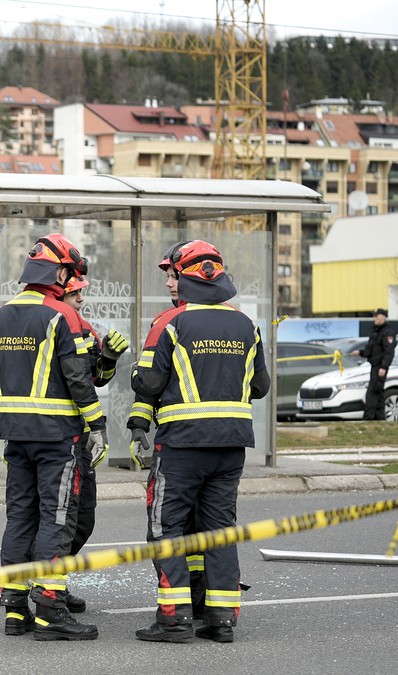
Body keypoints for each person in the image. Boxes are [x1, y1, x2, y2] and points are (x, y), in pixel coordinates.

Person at [130, 240, 270, 644]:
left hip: (182, 446)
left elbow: (147, 383)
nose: (168, 282)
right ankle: (221, 619)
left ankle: (173, 620)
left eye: (173, 274)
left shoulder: (170, 323)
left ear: (189, 276)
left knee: (167, 528)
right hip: (231, 447)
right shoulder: (245, 324)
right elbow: (260, 386)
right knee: (220, 530)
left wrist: (139, 377)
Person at [0, 233, 107, 641]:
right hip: (57, 438)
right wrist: (97, 424)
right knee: (56, 519)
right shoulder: (62, 315)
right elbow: (78, 379)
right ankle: (51, 612)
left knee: (20, 518)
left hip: (17, 434)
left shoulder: (1, 316)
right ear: (58, 273)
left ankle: (15, 609)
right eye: (69, 273)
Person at [60, 275, 128, 613]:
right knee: (52, 520)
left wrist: (109, 359)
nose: (80, 299)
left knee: (81, 519)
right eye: (74, 292)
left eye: (81, 293)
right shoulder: (49, 324)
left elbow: (95, 378)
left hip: (80, 439)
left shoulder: (85, 329)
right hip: (55, 438)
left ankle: (49, 582)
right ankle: (45, 590)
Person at [351, 309, 395, 420]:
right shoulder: (376, 331)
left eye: (376, 316)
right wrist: (360, 352)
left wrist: (384, 367)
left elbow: (389, 352)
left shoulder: (387, 332)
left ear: (383, 317)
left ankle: (368, 419)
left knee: (372, 393)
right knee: (378, 393)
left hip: (379, 367)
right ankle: (380, 419)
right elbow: (372, 349)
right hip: (374, 366)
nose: (374, 318)